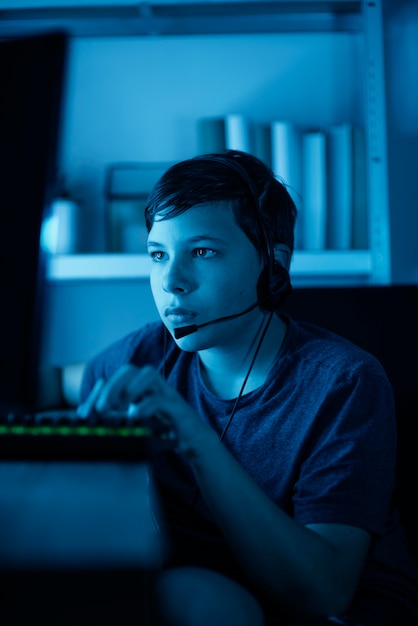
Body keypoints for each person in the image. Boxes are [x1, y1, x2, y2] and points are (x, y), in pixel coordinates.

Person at [78, 150, 418, 625]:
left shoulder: (344, 383)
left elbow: (325, 592)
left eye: (202, 252)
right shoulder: (127, 364)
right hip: (210, 599)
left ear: (272, 265)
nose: (171, 282)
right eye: (158, 255)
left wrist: (195, 438)